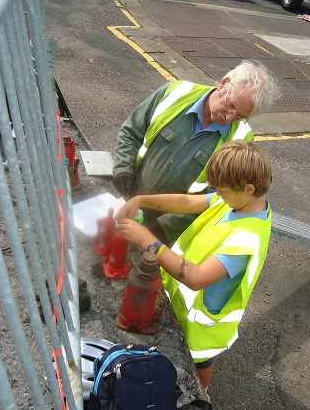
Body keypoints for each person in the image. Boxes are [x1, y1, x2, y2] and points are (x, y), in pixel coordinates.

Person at [115, 140, 273, 393]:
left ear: (249, 188)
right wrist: (141, 199)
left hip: (202, 322)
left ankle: (202, 394)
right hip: (180, 301)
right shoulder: (236, 201)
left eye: (222, 190)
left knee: (200, 359)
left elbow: (197, 278)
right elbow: (187, 203)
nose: (217, 195)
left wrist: (148, 241)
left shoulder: (246, 239)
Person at [113, 60, 279, 245]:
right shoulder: (174, 94)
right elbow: (131, 132)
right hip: (129, 201)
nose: (230, 117)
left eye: (239, 116)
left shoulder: (240, 142)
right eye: (230, 105)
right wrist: (123, 170)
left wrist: (162, 228)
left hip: (166, 233)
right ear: (223, 83)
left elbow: (218, 197)